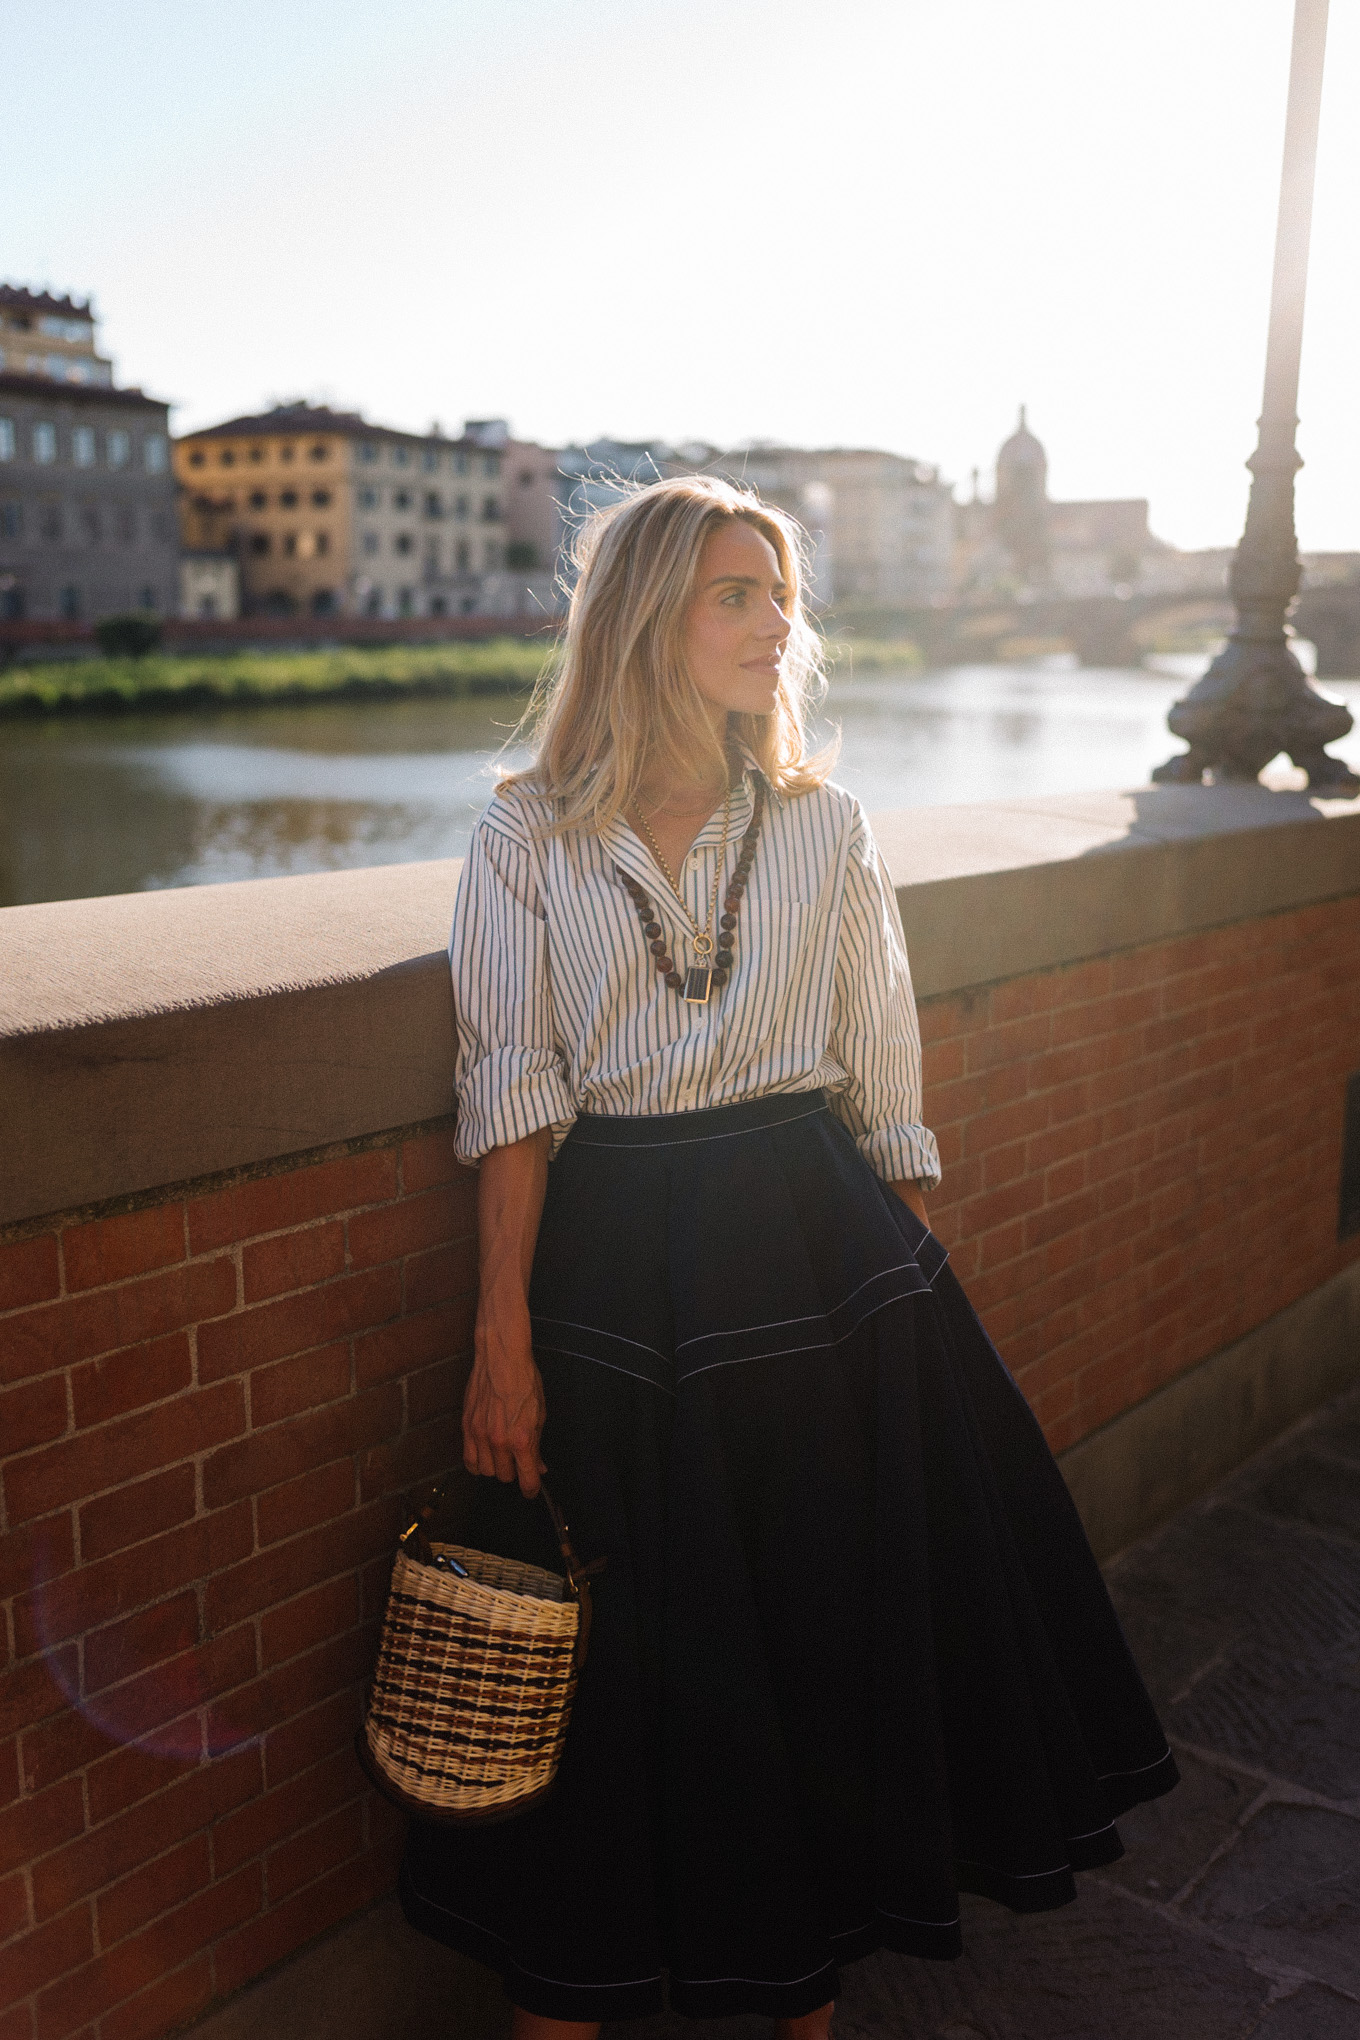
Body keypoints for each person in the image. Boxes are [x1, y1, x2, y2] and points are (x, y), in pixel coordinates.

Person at [399, 475, 1177, 2038]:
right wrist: (502, 1338)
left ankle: (795, 1998)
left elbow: (881, 1077)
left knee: (822, 1653)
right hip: (615, 1278)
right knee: (615, 1672)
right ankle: (577, 1992)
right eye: (734, 595)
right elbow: (510, 1096)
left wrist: (910, 1312)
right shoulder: (523, 836)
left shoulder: (827, 824)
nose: (776, 624)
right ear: (643, 620)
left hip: (820, 1271)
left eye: (781, 595)